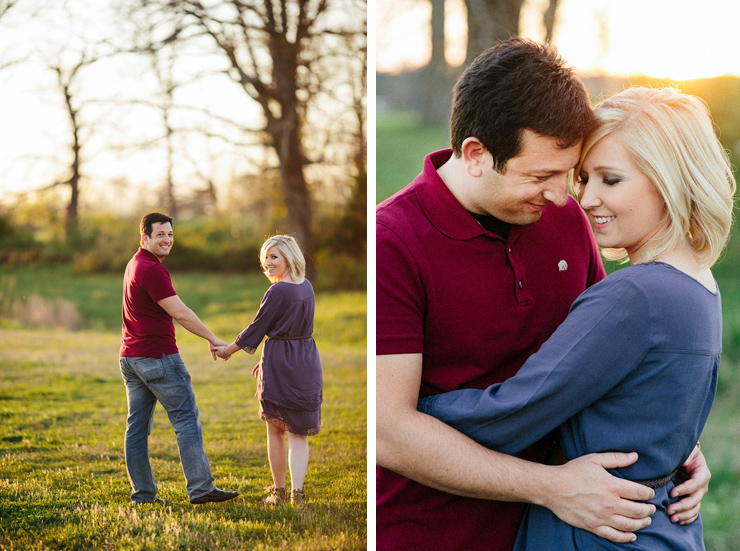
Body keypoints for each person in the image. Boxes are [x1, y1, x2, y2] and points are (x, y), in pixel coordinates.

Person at [376, 38, 711, 551]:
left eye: (569, 173)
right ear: (476, 156)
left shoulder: (564, 218)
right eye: (543, 176)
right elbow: (388, 430)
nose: (565, 196)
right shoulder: (390, 243)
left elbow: (607, 361)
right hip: (430, 530)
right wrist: (550, 488)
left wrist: (667, 440)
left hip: (564, 528)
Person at [119, 212, 239, 505]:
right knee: (186, 419)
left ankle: (143, 495)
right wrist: (213, 338)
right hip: (158, 357)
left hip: (131, 358)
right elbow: (181, 312)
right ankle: (201, 488)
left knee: (137, 428)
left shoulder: (135, 264)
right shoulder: (151, 269)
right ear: (144, 237)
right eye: (160, 234)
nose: (167, 239)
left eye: (170, 234)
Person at [214, 235, 322, 508]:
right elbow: (294, 327)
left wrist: (227, 350)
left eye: (274, 257)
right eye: (265, 258)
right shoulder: (306, 286)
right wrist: (266, 361)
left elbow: (256, 329)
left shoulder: (277, 291)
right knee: (298, 433)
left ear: (289, 256)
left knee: (276, 430)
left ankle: (280, 493)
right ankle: (298, 494)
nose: (268, 263)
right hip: (306, 360)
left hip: (281, 361)